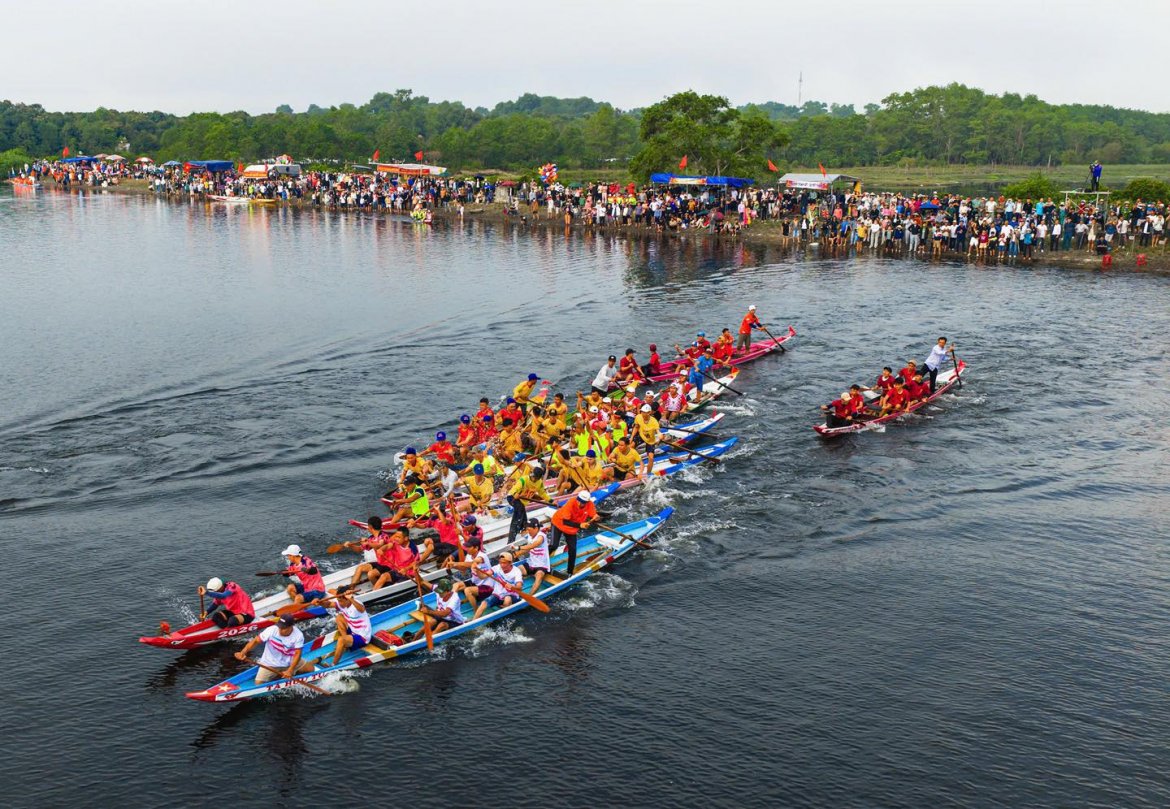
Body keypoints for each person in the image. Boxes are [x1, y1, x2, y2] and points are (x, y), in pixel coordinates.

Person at [235, 614, 314, 683]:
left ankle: (317, 660)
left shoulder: (298, 635)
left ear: (291, 626)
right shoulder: (271, 630)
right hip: (270, 664)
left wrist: (290, 670)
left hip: (290, 662)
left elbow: (297, 653)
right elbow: (255, 641)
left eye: (283, 628)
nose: (280, 630)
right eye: (279, 627)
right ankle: (279, 674)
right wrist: (242, 653)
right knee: (258, 683)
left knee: (312, 669)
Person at [550, 490, 598, 576]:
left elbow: (593, 515)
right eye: (579, 501)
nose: (580, 504)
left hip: (571, 529)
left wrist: (596, 517)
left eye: (583, 502)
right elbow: (565, 522)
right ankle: (541, 561)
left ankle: (570, 573)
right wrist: (580, 525)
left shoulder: (590, 505)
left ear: (587, 502)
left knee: (572, 550)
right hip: (558, 523)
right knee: (554, 545)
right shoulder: (571, 503)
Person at [322, 589, 372, 666]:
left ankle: (333, 664)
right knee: (339, 617)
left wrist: (351, 598)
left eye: (341, 601)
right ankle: (345, 643)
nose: (339, 603)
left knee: (341, 640)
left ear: (347, 600)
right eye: (338, 601)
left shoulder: (356, 605)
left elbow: (362, 609)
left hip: (362, 638)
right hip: (352, 631)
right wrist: (319, 603)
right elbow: (328, 605)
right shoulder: (341, 604)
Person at [473, 551, 525, 618]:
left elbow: (519, 587)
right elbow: (482, 577)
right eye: (500, 562)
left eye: (504, 563)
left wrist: (512, 586)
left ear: (510, 563)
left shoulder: (516, 571)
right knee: (483, 604)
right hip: (497, 594)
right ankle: (472, 623)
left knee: (507, 599)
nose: (502, 565)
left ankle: (505, 618)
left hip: (511, 595)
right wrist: (477, 570)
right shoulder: (497, 568)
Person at [512, 518, 552, 593]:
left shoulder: (541, 536)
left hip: (541, 565)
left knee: (539, 578)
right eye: (527, 529)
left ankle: (529, 597)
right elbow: (529, 547)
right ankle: (514, 589)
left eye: (529, 530)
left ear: (536, 528)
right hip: (531, 563)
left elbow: (534, 545)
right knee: (516, 570)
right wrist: (518, 553)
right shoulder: (530, 536)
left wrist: (519, 548)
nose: (528, 531)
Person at [632, 403, 663, 469]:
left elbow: (658, 432)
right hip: (641, 435)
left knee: (651, 458)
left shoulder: (654, 421)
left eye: (645, 412)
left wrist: (660, 438)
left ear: (649, 412)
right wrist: (631, 437)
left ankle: (648, 473)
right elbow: (636, 427)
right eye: (642, 412)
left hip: (650, 440)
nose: (643, 414)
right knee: (631, 446)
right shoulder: (638, 417)